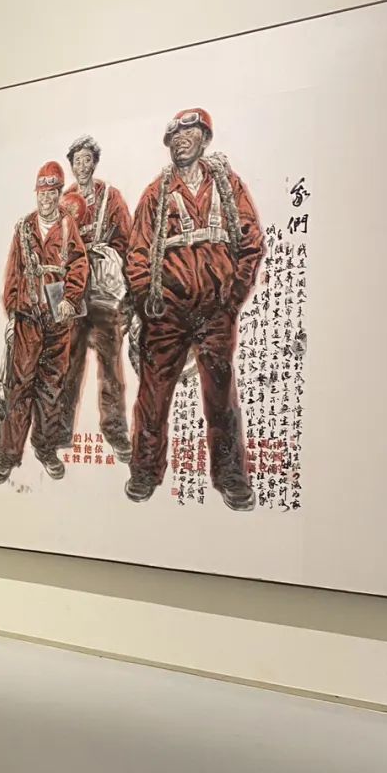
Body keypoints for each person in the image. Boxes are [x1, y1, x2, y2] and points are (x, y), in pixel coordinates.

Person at [125, 109, 264, 509]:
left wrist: (233, 296)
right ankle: (145, 470)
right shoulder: (156, 193)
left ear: (205, 139)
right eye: (175, 135)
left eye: (190, 133)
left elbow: (251, 241)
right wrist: (147, 302)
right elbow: (137, 253)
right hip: (166, 313)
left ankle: (230, 475)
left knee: (220, 396)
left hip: (215, 310)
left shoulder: (228, 185)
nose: (182, 140)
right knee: (152, 396)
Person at [0, 162, 89, 484]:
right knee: (19, 387)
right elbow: (13, 273)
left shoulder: (68, 227)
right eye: (41, 193)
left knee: (52, 387)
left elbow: (79, 266)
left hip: (58, 320)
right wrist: (12, 314)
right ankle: (9, 454)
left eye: (51, 193)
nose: (46, 199)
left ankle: (45, 449)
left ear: (59, 194)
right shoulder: (23, 228)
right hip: (28, 318)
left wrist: (70, 299)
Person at [59, 134, 134, 461]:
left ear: (95, 163)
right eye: (77, 161)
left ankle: (115, 431)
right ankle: (60, 430)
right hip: (73, 295)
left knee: (110, 367)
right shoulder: (63, 201)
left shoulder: (111, 198)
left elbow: (127, 241)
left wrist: (127, 292)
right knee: (67, 364)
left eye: (87, 159)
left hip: (105, 293)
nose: (82, 166)